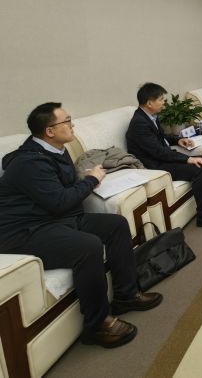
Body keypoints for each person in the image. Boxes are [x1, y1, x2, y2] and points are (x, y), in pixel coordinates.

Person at [0, 103, 163, 348]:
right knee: (88, 246)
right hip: (25, 230)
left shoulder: (56, 150)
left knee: (116, 224)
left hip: (57, 219)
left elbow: (60, 190)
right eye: (66, 121)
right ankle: (97, 326)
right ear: (50, 131)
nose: (72, 125)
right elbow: (59, 201)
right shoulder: (29, 163)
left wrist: (84, 179)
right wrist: (91, 180)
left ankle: (126, 295)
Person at [126, 83, 202, 228]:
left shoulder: (150, 116)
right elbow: (157, 151)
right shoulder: (139, 123)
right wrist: (188, 158)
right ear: (149, 103)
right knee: (200, 168)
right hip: (155, 165)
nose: (164, 103)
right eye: (161, 100)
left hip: (163, 157)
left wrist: (178, 140)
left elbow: (160, 137)